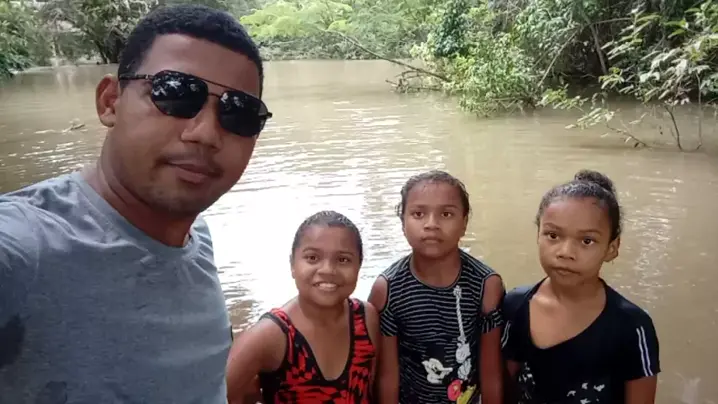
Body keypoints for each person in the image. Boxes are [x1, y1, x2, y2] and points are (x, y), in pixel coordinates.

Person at [0, 4, 272, 403]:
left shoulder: (196, 238)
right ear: (110, 101)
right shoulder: (25, 248)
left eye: (239, 113)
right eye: (175, 93)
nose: (206, 133)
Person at [501, 170, 660, 404]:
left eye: (587, 241)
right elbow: (506, 387)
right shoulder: (515, 305)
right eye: (553, 235)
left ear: (611, 248)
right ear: (538, 235)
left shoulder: (632, 327)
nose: (566, 252)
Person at [369, 170, 505, 404]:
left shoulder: (485, 285)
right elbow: (387, 377)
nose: (432, 224)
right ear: (403, 223)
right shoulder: (388, 290)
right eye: (418, 214)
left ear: (464, 223)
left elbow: (491, 374)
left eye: (446, 214)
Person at [226, 211, 379, 403]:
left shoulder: (365, 318)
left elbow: (371, 389)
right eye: (312, 258)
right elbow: (218, 394)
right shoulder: (271, 336)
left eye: (343, 260)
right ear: (292, 264)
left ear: (359, 265)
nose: (328, 270)